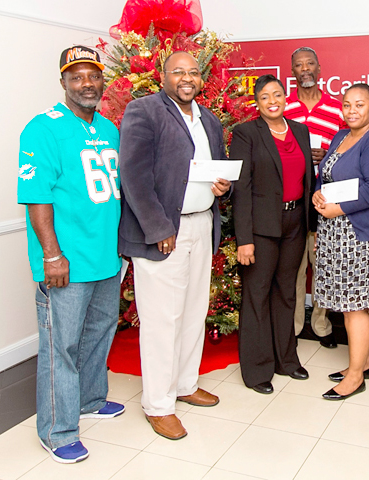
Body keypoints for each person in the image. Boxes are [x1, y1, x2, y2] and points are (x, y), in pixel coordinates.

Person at [18, 45, 125, 463]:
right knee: (60, 345)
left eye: (93, 75)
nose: (87, 83)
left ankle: (90, 399)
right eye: (77, 76)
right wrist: (51, 255)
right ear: (63, 81)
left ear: (103, 81)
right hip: (65, 261)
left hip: (105, 258)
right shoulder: (42, 129)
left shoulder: (109, 128)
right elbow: (36, 196)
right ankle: (56, 431)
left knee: (99, 334)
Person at [118, 51, 230, 440]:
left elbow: (215, 170)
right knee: (162, 320)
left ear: (201, 78)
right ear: (162, 76)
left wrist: (222, 186)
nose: (186, 78)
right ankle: (158, 404)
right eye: (177, 71)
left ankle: (184, 384)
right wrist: (157, 227)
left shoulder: (209, 120)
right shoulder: (143, 111)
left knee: (193, 312)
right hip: (163, 233)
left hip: (201, 226)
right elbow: (133, 176)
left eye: (193, 72)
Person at [312, 84, 369, 400]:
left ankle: (354, 377)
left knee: (355, 306)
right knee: (359, 304)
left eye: (359, 104)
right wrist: (319, 193)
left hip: (365, 236)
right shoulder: (340, 136)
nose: (351, 110)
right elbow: (328, 176)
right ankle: (362, 362)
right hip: (340, 233)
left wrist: (337, 208)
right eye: (346, 104)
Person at [231, 75, 315, 395]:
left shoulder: (300, 131)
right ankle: (257, 369)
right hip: (261, 227)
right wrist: (244, 239)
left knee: (287, 294)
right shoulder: (246, 133)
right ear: (257, 102)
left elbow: (309, 180)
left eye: (277, 94)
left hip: (295, 222)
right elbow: (241, 189)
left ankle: (286, 360)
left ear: (286, 96)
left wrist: (311, 226)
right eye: (264, 97)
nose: (272, 101)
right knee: (257, 295)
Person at [285, 46, 347, 349]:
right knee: (295, 264)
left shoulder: (337, 108)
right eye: (299, 65)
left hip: (326, 197)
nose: (305, 69)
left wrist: (328, 156)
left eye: (310, 63)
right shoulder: (282, 107)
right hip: (294, 196)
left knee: (322, 262)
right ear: (292, 71)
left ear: (319, 68)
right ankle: (295, 325)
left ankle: (321, 323)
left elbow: (348, 150)